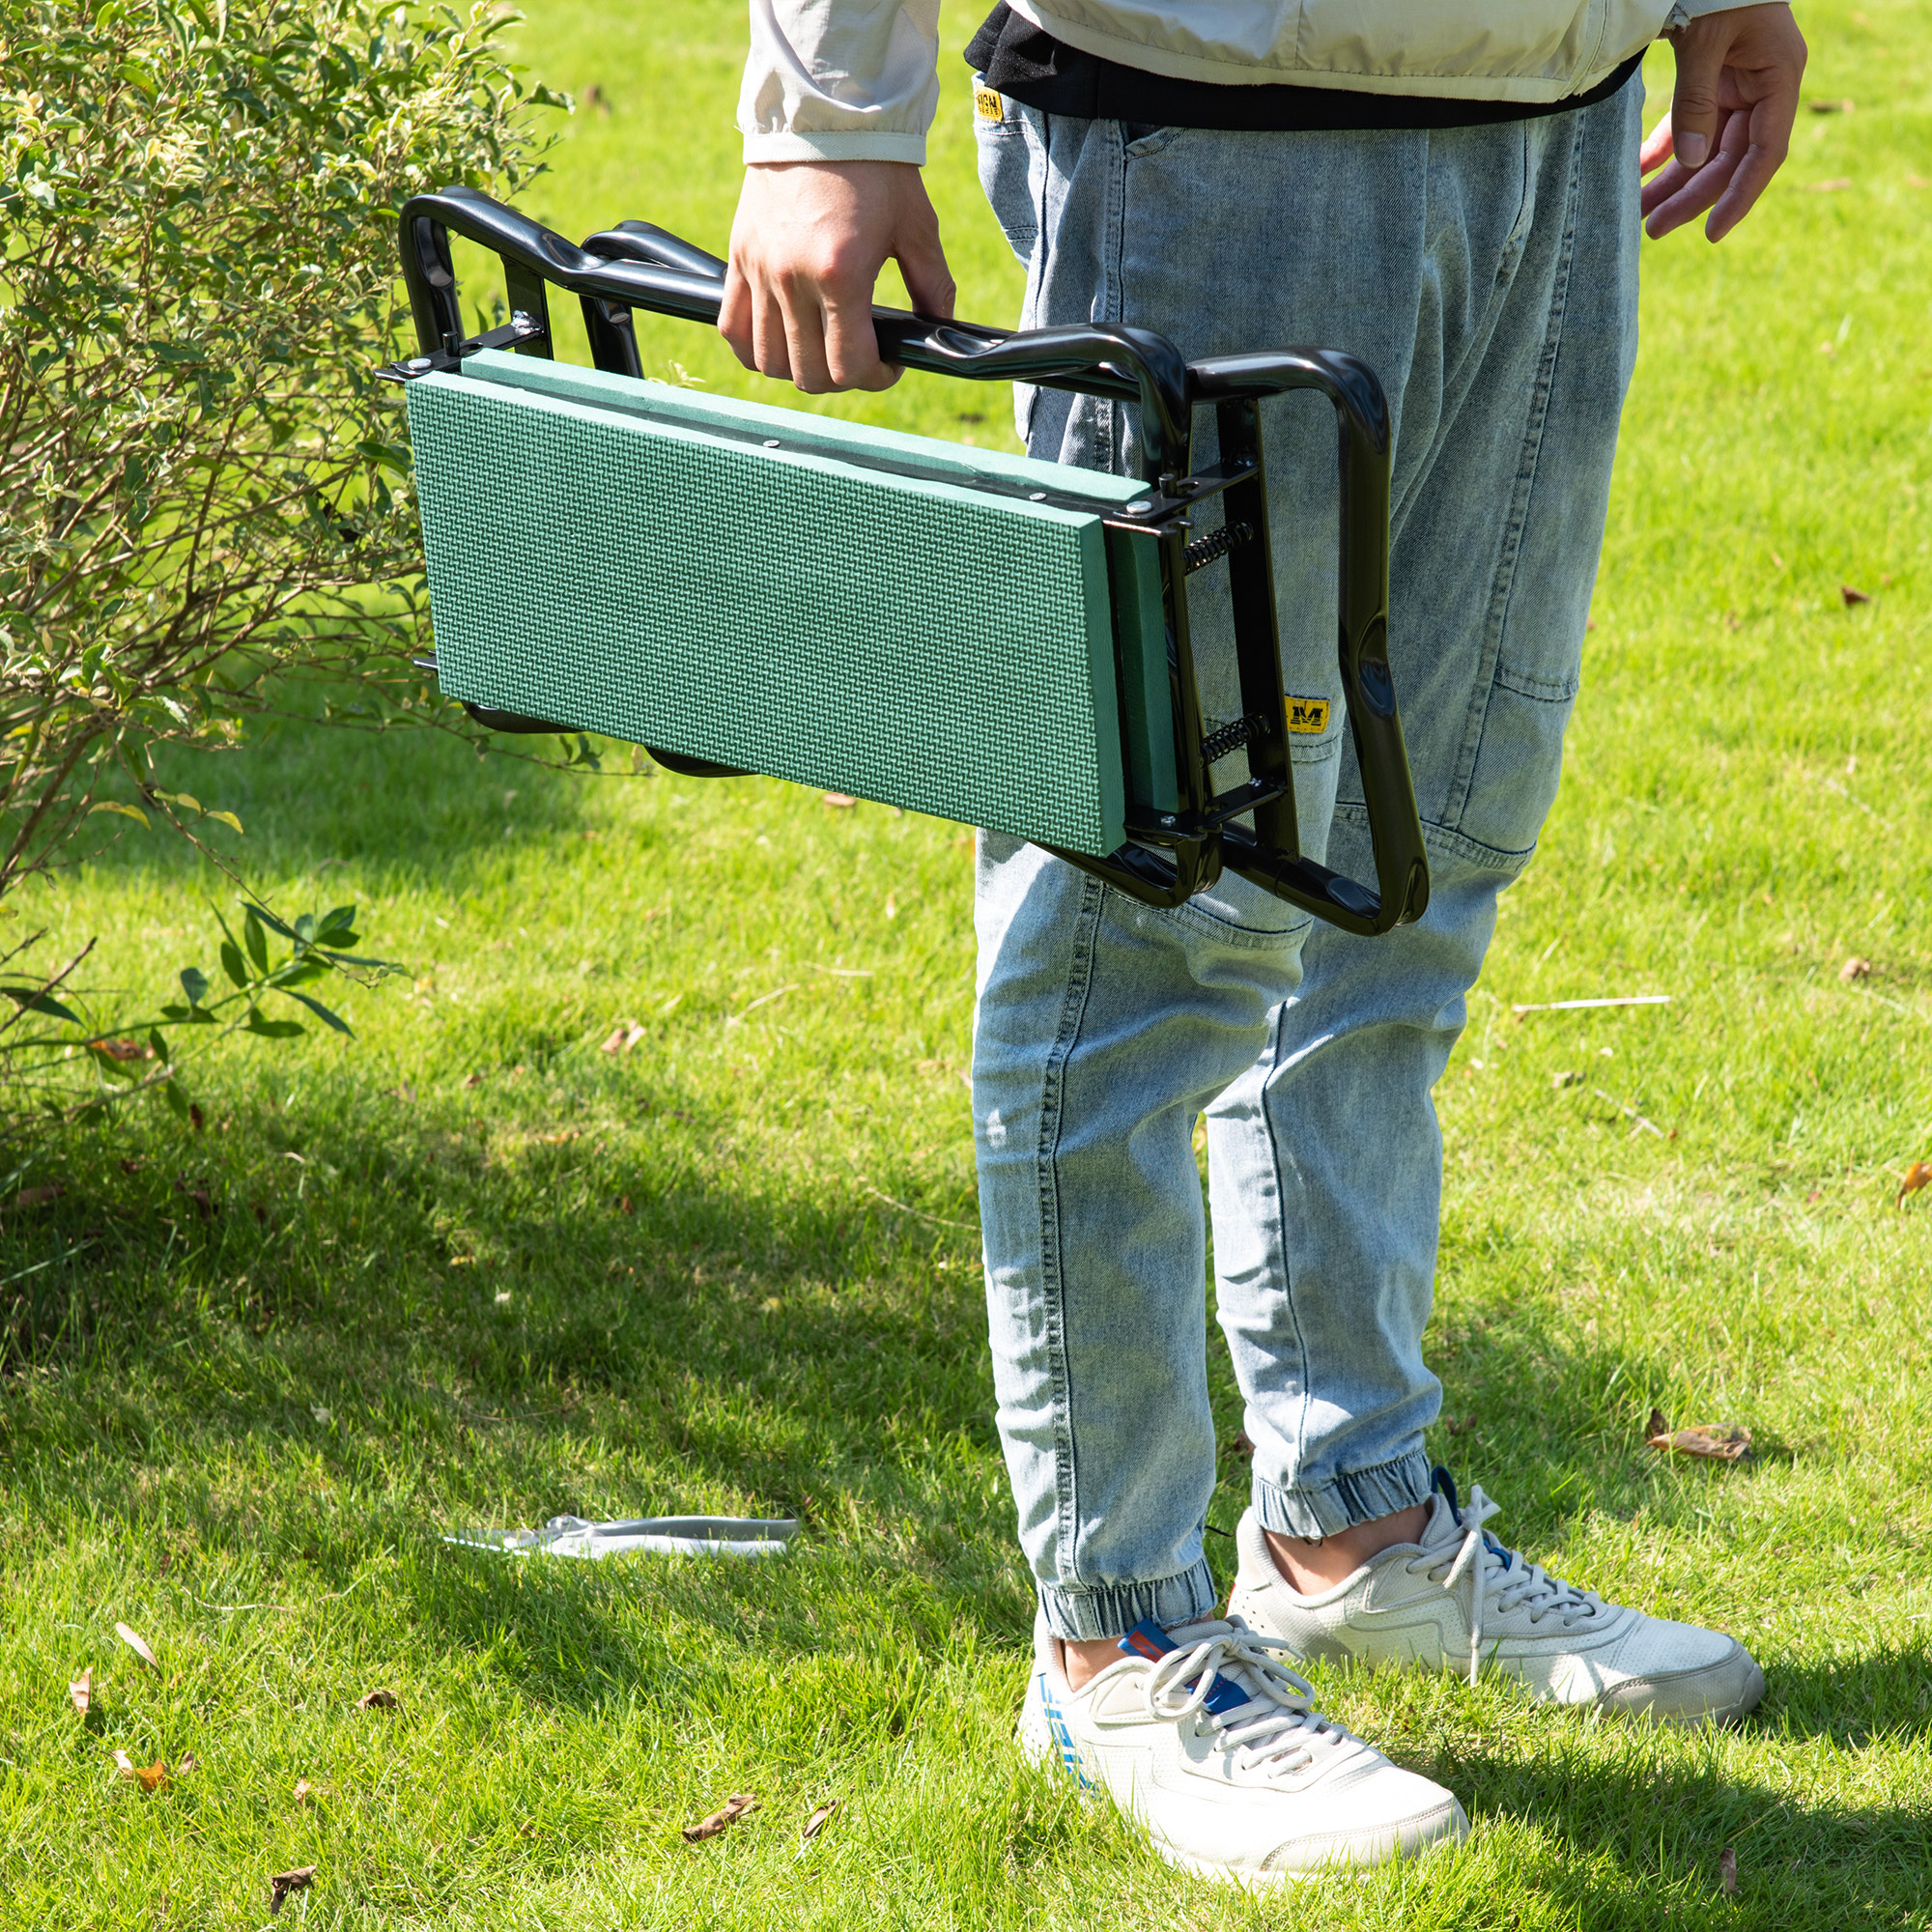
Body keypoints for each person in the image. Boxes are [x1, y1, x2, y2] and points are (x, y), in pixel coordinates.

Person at [722, 0, 1806, 1884]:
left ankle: (1351, 1528)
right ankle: (1115, 1643)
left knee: (1407, 872)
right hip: (1208, 124)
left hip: (1554, 119)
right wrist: (825, 114)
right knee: (1140, 915)